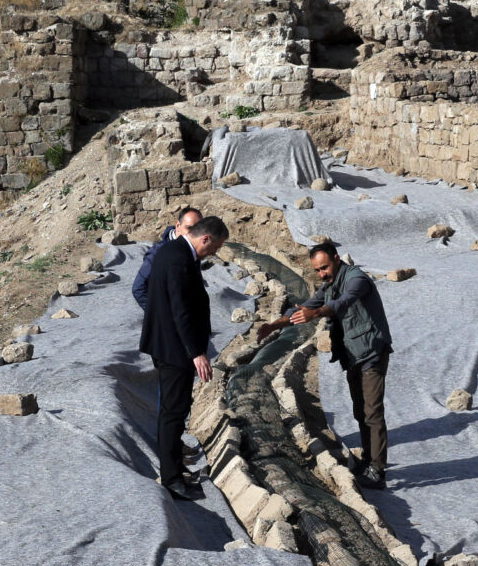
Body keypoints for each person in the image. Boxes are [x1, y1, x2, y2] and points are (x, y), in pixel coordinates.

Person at [257, 242, 392, 489]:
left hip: (372, 352)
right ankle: (368, 460)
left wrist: (318, 313)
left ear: (337, 259)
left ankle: (378, 470)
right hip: (352, 353)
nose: (322, 274)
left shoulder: (357, 279)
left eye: (325, 268)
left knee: (372, 412)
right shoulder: (329, 286)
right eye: (317, 270)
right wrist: (274, 326)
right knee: (360, 410)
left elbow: (344, 302)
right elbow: (307, 306)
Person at [140, 214, 230, 501]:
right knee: (173, 412)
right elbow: (180, 310)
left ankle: (175, 468)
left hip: (169, 346)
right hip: (174, 349)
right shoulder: (179, 259)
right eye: (214, 248)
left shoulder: (173, 250)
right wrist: (196, 353)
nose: (213, 253)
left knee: (175, 411)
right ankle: (172, 480)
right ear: (205, 238)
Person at [132, 206, 203, 312]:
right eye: (189, 228)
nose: (192, 235)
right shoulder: (158, 252)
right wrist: (160, 316)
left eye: (197, 231)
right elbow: (139, 288)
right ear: (178, 226)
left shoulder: (193, 251)